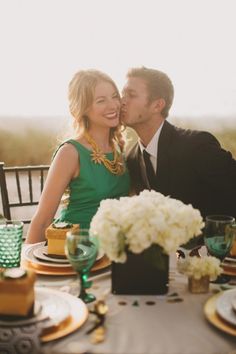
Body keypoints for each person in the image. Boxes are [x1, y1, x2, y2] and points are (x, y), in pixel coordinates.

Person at [26, 69, 130, 243]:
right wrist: (27, 268)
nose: (113, 105)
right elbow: (43, 220)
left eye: (114, 96)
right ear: (84, 108)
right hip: (77, 249)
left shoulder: (119, 147)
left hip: (114, 249)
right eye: (101, 100)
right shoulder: (69, 152)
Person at [121, 66, 236, 221]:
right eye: (122, 95)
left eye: (131, 95)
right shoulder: (131, 159)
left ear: (157, 105)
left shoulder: (197, 146)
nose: (122, 101)